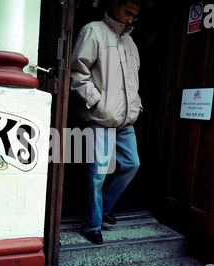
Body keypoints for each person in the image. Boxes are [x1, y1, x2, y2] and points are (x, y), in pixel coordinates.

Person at [70, 0, 143, 245]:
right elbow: (77, 73)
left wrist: (136, 105)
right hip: (101, 117)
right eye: (127, 12)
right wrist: (98, 103)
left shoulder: (131, 42)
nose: (130, 19)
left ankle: (103, 210)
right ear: (115, 5)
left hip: (125, 120)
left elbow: (133, 82)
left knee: (131, 164)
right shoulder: (93, 31)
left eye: (134, 15)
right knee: (98, 173)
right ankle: (92, 224)